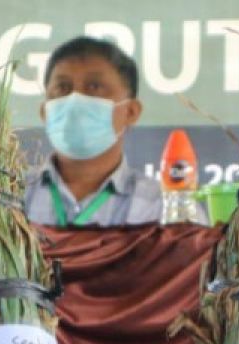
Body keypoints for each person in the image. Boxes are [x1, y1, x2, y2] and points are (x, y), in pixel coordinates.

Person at [23, 36, 161, 226]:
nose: (75, 99)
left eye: (94, 86)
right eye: (63, 87)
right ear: (44, 111)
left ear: (130, 112)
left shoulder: (160, 207)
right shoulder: (7, 199)